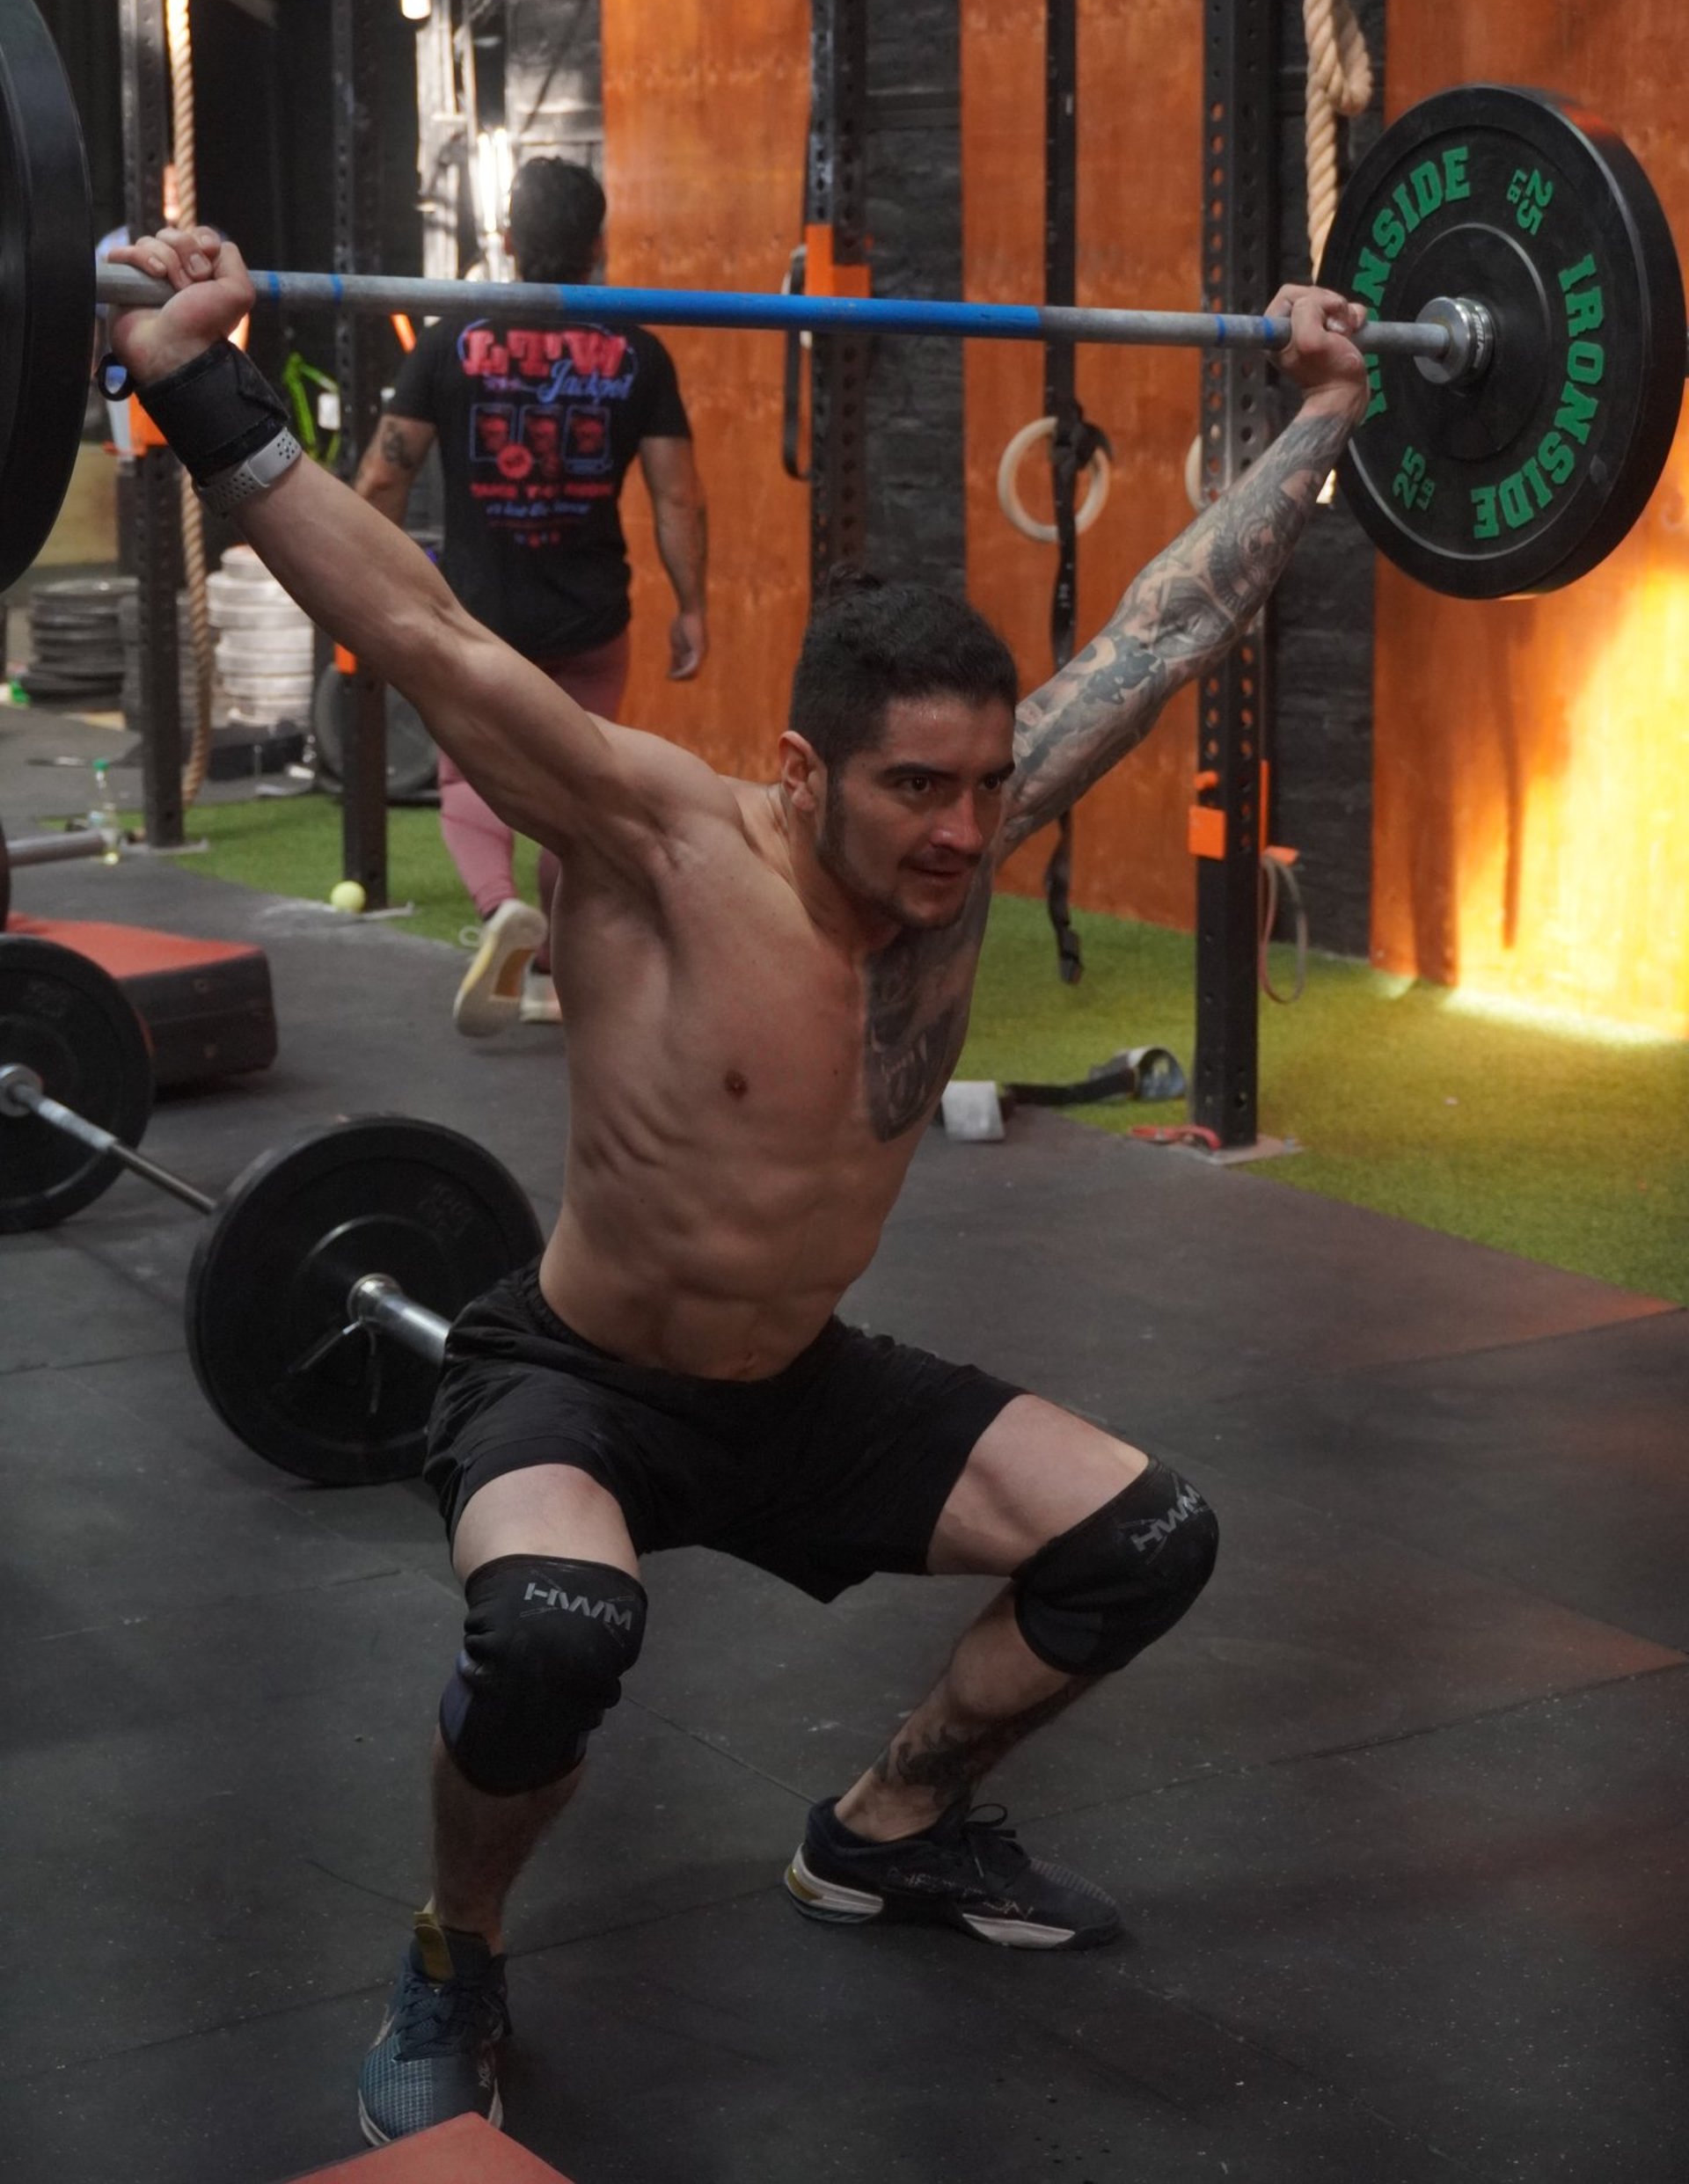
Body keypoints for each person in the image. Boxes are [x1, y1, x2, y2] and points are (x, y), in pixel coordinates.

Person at [106, 225, 1368, 2152]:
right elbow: (431, 629)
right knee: (554, 1643)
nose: (965, 832)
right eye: (917, 793)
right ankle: (458, 1952)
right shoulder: (657, 840)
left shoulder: (975, 821)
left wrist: (1325, 419)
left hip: (798, 1384)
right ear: (800, 770)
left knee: (1146, 1541)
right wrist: (196, 381)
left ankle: (887, 1827)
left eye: (985, 785)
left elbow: (1175, 622)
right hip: (579, 1386)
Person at [354, 158, 708, 1034]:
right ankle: (550, 959)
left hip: (480, 617)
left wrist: (371, 598)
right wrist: (692, 604)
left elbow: (379, 481)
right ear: (598, 246)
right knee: (580, 781)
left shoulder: (449, 339)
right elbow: (678, 495)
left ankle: (499, 909)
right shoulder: (638, 350)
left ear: (507, 240)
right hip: (590, 617)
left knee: (470, 767)